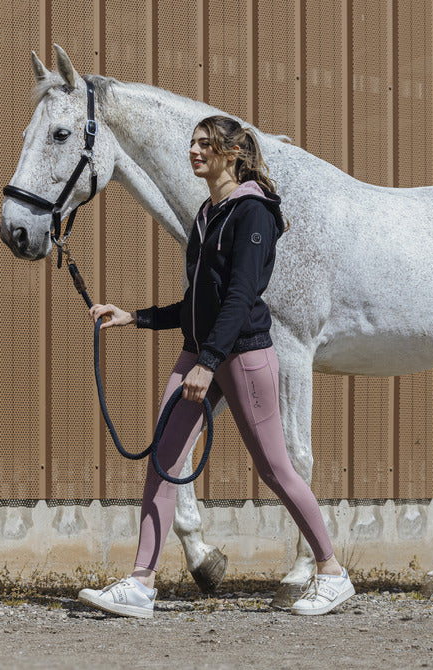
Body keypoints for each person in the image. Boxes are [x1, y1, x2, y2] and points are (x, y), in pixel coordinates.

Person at [77, 115, 354, 618]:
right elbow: (199, 303)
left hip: (243, 354)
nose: (194, 151)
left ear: (233, 154)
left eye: (206, 144)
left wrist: (207, 363)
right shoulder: (210, 213)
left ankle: (332, 571)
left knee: (275, 469)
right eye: (193, 143)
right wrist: (134, 316)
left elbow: (241, 297)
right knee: (164, 459)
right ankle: (142, 582)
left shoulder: (253, 214)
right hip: (200, 352)